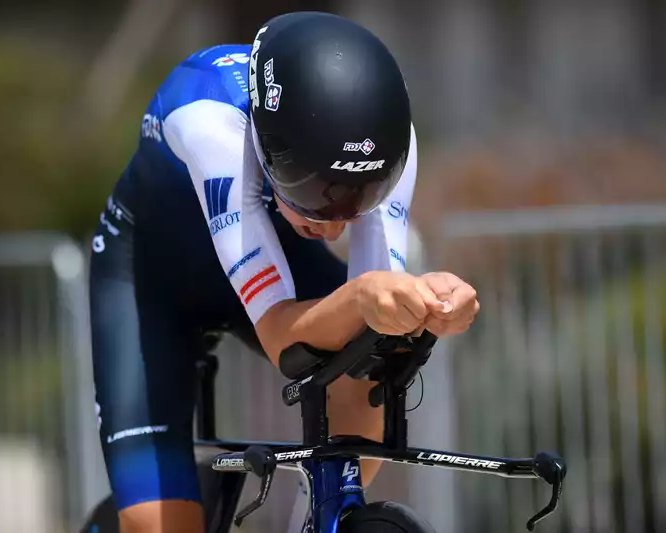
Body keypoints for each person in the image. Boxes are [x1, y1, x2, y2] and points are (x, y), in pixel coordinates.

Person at [88, 10, 480, 533]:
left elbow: (376, 316)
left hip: (266, 255)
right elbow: (281, 336)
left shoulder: (388, 148)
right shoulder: (210, 125)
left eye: (358, 203)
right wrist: (368, 295)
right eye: (316, 198)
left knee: (365, 380)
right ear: (268, 151)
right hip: (151, 284)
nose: (336, 224)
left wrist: (430, 302)